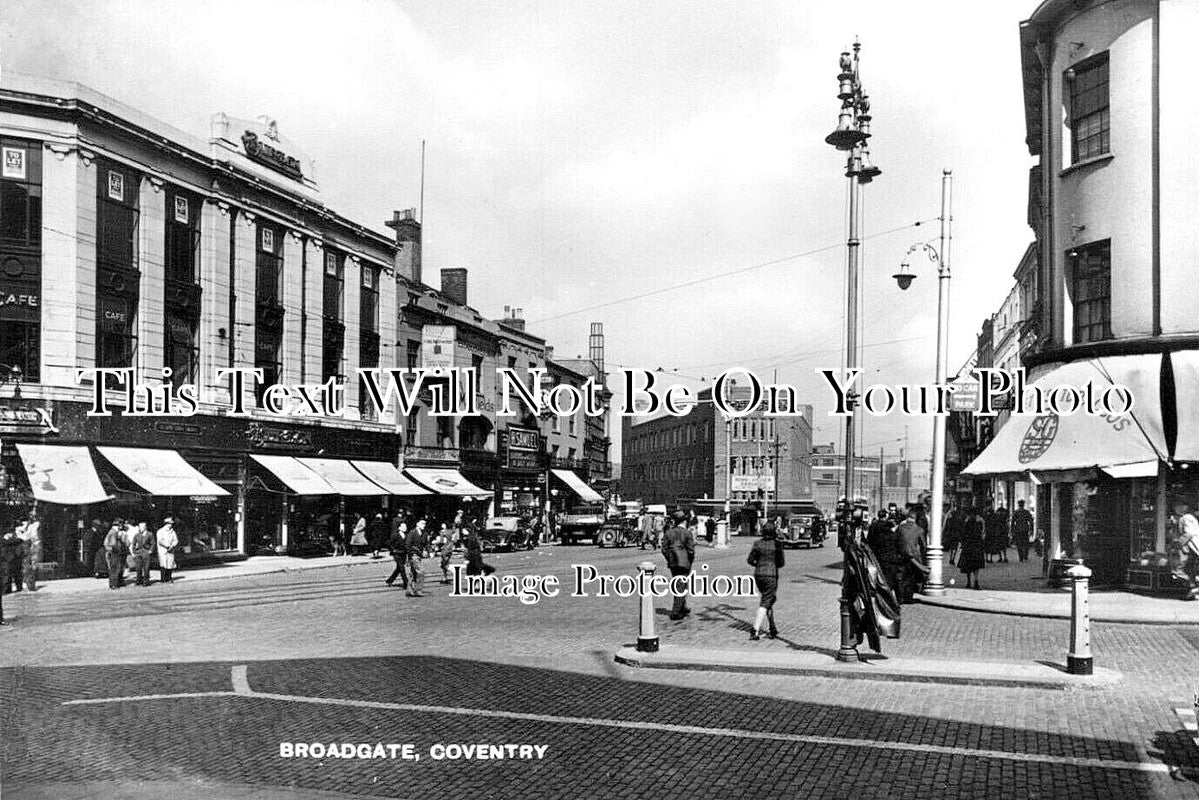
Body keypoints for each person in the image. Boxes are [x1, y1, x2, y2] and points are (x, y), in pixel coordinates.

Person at [746, 523, 784, 640]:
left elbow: (750, 560)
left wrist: (759, 564)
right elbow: (781, 563)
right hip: (771, 575)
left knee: (768, 600)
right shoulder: (777, 544)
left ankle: (772, 628)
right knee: (766, 601)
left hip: (758, 575)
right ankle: (755, 629)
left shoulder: (758, 543)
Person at [661, 511, 696, 621]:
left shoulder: (668, 532)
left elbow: (664, 549)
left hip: (673, 563)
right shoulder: (687, 533)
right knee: (681, 586)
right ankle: (675, 612)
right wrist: (689, 561)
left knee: (678, 584)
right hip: (684, 563)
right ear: (684, 521)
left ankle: (683, 607)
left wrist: (670, 558)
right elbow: (691, 550)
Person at [894, 506, 928, 603]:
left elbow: (896, 541)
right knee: (910, 577)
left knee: (901, 577)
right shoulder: (919, 529)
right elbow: (923, 545)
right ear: (915, 519)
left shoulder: (900, 528)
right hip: (913, 556)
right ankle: (908, 597)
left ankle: (900, 597)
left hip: (901, 555)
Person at [1172, 500, 1199, 601]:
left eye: (1177, 506)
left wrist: (1178, 543)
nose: (1175, 508)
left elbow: (1189, 533)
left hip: (1187, 548)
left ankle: (1193, 587)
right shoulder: (1189, 517)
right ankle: (1191, 592)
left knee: (1177, 570)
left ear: (1184, 507)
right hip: (1190, 548)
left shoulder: (1186, 518)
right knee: (1189, 570)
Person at [957, 507, 987, 590]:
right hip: (977, 545)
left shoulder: (967, 522)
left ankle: (969, 581)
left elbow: (963, 534)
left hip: (968, 545)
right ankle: (975, 581)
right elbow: (983, 533)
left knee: (968, 564)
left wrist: (963, 543)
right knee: (976, 564)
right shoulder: (979, 521)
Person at [405, 519, 427, 597]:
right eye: (422, 523)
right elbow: (407, 544)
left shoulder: (424, 533)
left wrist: (428, 551)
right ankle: (418, 590)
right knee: (421, 571)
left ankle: (409, 590)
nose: (424, 525)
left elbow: (426, 543)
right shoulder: (412, 532)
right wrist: (410, 555)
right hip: (413, 555)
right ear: (417, 524)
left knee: (412, 573)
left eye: (425, 523)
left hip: (419, 555)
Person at [104, 519, 127, 590]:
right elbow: (107, 542)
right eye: (118, 525)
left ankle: (115, 583)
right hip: (114, 552)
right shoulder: (113, 532)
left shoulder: (114, 532)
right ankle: (113, 584)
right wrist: (110, 549)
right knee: (114, 568)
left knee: (117, 568)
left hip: (116, 551)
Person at [385, 520, 409, 589]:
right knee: (402, 568)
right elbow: (389, 543)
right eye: (403, 526)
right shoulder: (395, 535)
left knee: (399, 568)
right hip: (397, 553)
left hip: (403, 553)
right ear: (399, 528)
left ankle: (390, 580)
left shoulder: (406, 535)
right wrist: (393, 550)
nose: (405, 528)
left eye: (405, 526)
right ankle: (406, 583)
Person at [131, 521, 155, 586]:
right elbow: (133, 543)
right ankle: (139, 580)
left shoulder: (150, 534)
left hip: (146, 552)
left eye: (141, 527)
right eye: (139, 527)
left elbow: (153, 543)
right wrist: (134, 551)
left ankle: (146, 581)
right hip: (138, 552)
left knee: (146, 568)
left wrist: (150, 550)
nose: (140, 528)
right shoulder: (136, 535)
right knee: (138, 568)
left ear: (145, 527)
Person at [156, 517, 178, 583]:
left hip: (170, 550)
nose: (170, 525)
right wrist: (167, 546)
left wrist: (172, 545)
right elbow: (160, 541)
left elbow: (175, 540)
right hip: (163, 550)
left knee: (170, 564)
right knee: (163, 564)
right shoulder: (160, 531)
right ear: (166, 524)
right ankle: (163, 578)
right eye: (169, 524)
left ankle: (169, 577)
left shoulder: (172, 531)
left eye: (171, 524)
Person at [19, 517, 39, 592]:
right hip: (27, 545)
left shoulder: (32, 526)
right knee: (28, 566)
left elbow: (33, 537)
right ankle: (29, 585)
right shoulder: (30, 526)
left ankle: (30, 585)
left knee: (28, 566)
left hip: (28, 545)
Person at [1, 526, 23, 594]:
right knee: (6, 576)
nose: (12, 535)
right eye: (11, 533)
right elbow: (13, 542)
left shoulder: (8, 541)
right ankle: (5, 590)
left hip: (11, 561)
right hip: (5, 561)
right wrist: (20, 538)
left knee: (10, 575)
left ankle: (9, 590)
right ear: (7, 534)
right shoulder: (3, 541)